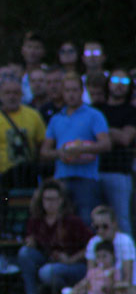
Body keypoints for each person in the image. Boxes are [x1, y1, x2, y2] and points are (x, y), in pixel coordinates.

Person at [41, 72, 111, 225]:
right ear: (62, 93)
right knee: (62, 221)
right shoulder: (56, 119)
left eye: (74, 90)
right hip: (62, 178)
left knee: (86, 221)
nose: (71, 94)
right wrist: (60, 153)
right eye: (67, 90)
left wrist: (82, 150)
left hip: (87, 179)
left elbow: (105, 144)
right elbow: (45, 151)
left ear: (81, 91)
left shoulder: (94, 115)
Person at [17, 179, 92, 294]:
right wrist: (31, 242)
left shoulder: (73, 221)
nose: (49, 203)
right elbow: (31, 241)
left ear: (61, 200)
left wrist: (71, 259)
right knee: (25, 253)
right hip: (48, 260)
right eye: (46, 199)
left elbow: (92, 245)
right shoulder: (36, 220)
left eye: (53, 199)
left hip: (73, 264)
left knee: (47, 272)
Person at [0, 77, 45, 194]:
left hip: (28, 178)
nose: (12, 96)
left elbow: (42, 146)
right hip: (3, 179)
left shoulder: (34, 116)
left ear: (21, 94)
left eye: (15, 93)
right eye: (7, 93)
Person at [95, 69, 136, 235]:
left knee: (122, 219)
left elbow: (126, 138)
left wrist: (101, 130)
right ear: (108, 83)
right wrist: (113, 133)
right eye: (115, 80)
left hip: (119, 172)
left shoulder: (131, 111)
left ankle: (129, 259)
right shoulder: (96, 109)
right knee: (95, 218)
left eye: (124, 82)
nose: (119, 85)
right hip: (93, 171)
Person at [48, 240, 119, 294]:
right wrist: (76, 290)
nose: (101, 260)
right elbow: (84, 282)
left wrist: (108, 286)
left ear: (113, 257)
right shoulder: (93, 271)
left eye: (104, 256)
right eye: (98, 257)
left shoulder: (114, 271)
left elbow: (116, 286)